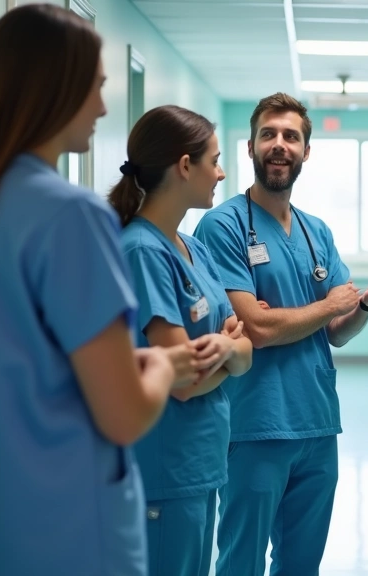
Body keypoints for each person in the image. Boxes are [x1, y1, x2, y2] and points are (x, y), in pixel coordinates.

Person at [0, 6, 218, 575]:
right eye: (94, 88)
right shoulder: (70, 216)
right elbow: (123, 416)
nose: (101, 107)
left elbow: (16, 358)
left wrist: (128, 359)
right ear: (52, 90)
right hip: (70, 528)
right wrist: (166, 367)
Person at [193, 92, 368, 575]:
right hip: (255, 423)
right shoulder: (224, 226)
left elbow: (337, 330)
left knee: (302, 564)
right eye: (268, 134)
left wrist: (364, 305)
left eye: (291, 136)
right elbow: (256, 328)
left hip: (316, 422)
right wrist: (325, 305)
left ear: (306, 151)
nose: (279, 145)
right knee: (242, 561)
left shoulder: (317, 231)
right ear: (249, 147)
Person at [108, 105, 254, 576]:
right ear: (184, 166)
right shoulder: (142, 251)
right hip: (164, 468)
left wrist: (229, 349)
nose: (222, 171)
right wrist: (226, 349)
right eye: (214, 159)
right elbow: (182, 380)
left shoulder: (194, 247)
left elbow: (245, 348)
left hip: (199, 463)